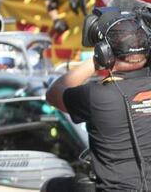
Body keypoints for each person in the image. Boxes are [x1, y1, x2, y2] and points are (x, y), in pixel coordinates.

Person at [46, 12, 151, 191]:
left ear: (105, 53)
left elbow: (54, 93)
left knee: (51, 186)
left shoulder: (95, 95)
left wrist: (96, 61)